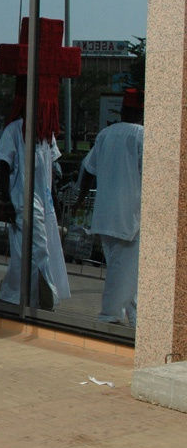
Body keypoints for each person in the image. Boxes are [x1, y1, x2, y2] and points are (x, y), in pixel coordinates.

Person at [77, 88, 144, 326]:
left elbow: (88, 169)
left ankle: (137, 319)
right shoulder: (141, 135)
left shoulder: (106, 134)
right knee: (123, 272)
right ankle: (109, 316)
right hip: (129, 216)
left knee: (125, 272)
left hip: (105, 216)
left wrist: (79, 199)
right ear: (141, 111)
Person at [0, 110, 70, 310]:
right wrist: (4, 200)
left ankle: (12, 292)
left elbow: (51, 165)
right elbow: (2, 164)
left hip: (44, 199)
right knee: (39, 247)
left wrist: (54, 198)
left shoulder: (48, 133)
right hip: (22, 198)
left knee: (23, 252)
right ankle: (40, 295)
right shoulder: (15, 130)